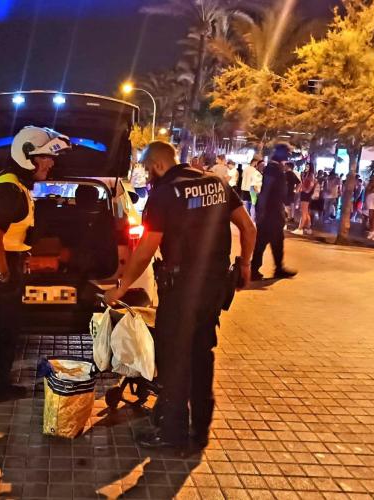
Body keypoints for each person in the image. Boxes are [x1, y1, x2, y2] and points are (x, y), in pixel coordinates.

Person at [104, 141, 257, 451]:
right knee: (202, 354)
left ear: (159, 165)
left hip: (181, 290)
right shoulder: (217, 183)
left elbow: (146, 249)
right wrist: (245, 265)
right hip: (213, 288)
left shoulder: (164, 194)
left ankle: (171, 433)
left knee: (174, 360)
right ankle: (200, 430)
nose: (148, 176)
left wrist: (120, 287)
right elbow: (248, 227)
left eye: (148, 170)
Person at [0, 126, 71, 399]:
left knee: (1, 327)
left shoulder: (13, 184)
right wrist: (3, 274)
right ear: (27, 156)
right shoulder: (10, 189)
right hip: (3, 264)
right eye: (46, 157)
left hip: (7, 261)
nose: (51, 163)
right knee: (6, 329)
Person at [251, 144, 297, 281]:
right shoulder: (272, 169)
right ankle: (254, 269)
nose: (289, 155)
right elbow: (265, 191)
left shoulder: (276, 168)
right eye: (287, 152)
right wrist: (261, 211)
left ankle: (277, 268)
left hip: (274, 211)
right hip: (270, 213)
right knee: (262, 241)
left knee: (276, 241)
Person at [293, 165, 316, 235]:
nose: (306, 168)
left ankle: (300, 228)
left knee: (303, 212)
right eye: (306, 166)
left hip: (306, 196)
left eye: (308, 167)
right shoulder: (307, 175)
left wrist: (305, 190)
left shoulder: (311, 176)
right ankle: (308, 228)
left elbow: (310, 186)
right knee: (306, 212)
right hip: (305, 195)